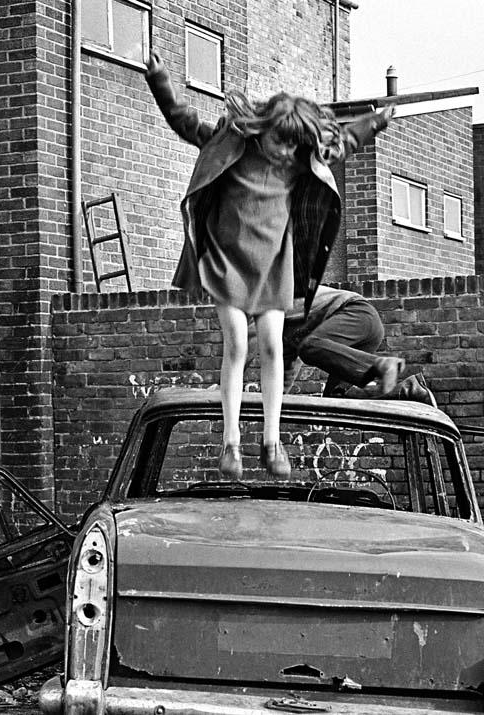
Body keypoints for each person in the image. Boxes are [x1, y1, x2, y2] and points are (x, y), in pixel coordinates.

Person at [146, 52, 394, 480]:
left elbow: (342, 144)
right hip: (228, 260)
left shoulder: (298, 158)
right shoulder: (230, 143)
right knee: (238, 345)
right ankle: (231, 444)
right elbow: (186, 122)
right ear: (263, 130)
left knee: (274, 346)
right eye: (281, 141)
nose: (286, 152)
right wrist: (161, 83)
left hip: (275, 263)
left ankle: (271, 442)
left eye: (294, 146)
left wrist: (375, 122)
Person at [282, 286, 437, 407]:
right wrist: (271, 416)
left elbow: (260, 341)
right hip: (365, 328)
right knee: (336, 400)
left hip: (357, 313)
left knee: (308, 347)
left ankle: (380, 365)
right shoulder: (284, 336)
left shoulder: (272, 304)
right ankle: (407, 390)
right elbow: (285, 373)